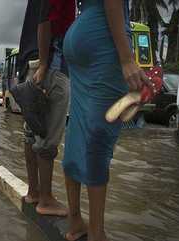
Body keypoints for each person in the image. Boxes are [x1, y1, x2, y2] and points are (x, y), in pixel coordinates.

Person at [62, 0, 149, 240]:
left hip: (81, 31)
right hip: (103, 40)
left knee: (78, 131)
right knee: (99, 139)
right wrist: (126, 59)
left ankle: (75, 222)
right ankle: (96, 234)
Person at [18, 0, 75, 216]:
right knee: (48, 138)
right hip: (52, 65)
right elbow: (46, 20)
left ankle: (34, 192)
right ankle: (46, 199)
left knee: (31, 133)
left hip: (32, 65)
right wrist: (44, 63)